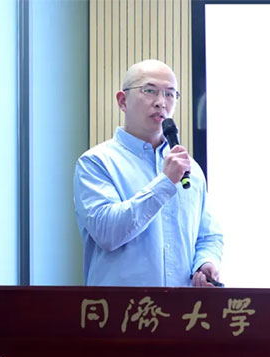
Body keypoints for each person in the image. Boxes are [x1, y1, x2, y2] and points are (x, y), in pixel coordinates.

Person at [73, 59, 223, 287]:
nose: (161, 102)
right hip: (121, 308)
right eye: (150, 91)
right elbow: (107, 233)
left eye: (170, 94)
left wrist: (205, 262)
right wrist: (165, 182)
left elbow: (208, 235)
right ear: (122, 101)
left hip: (181, 307)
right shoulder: (96, 162)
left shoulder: (188, 168)